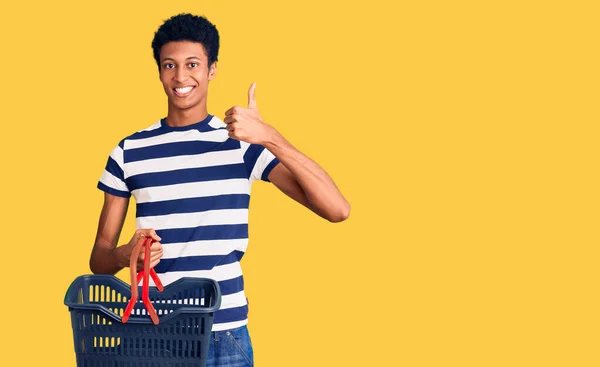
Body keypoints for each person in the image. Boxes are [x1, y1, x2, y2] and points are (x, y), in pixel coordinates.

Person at [89, 13, 350, 367]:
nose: (180, 77)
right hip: (152, 333)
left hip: (223, 336)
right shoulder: (128, 151)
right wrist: (125, 255)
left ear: (212, 69)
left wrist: (270, 137)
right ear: (160, 71)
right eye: (170, 65)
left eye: (192, 64)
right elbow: (99, 259)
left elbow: (337, 209)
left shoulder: (241, 144)